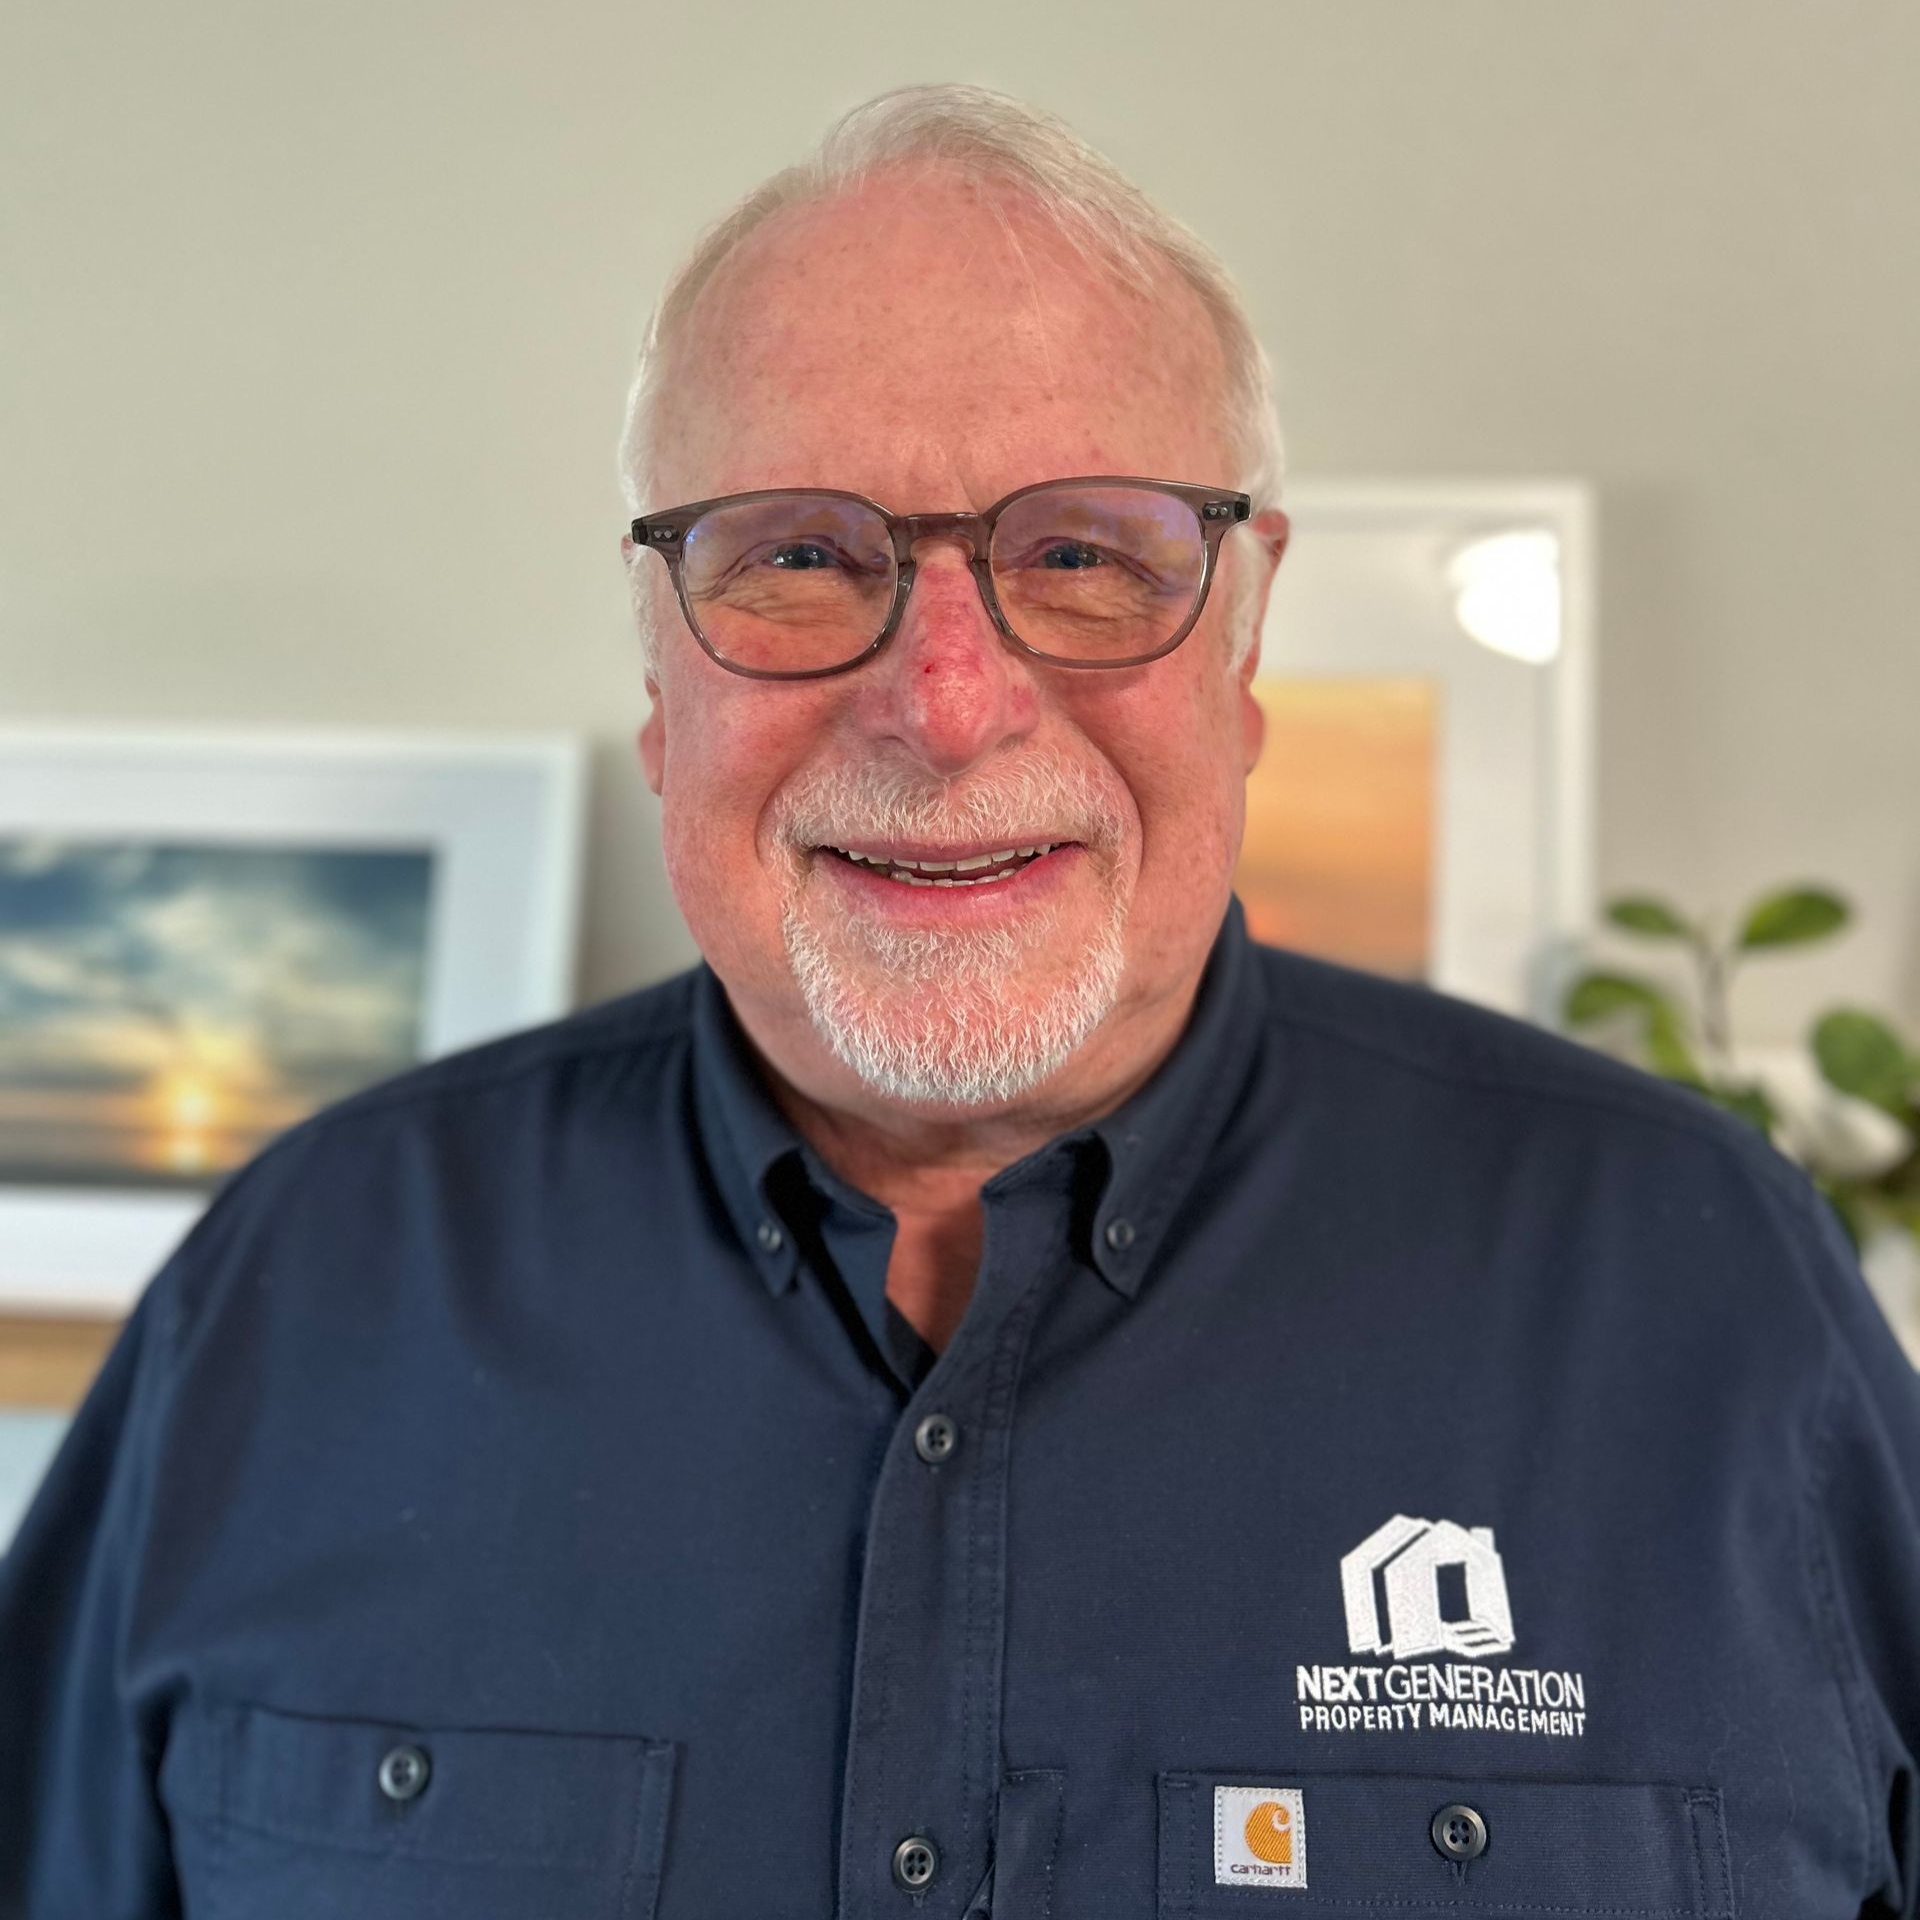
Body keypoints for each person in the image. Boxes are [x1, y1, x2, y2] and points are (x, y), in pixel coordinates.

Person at [2, 81, 1916, 1920]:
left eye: (1081, 557)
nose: (944, 702)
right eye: (801, 557)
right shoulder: (300, 1295)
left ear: (1247, 645)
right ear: (658, 681)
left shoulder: (1706, 1298)